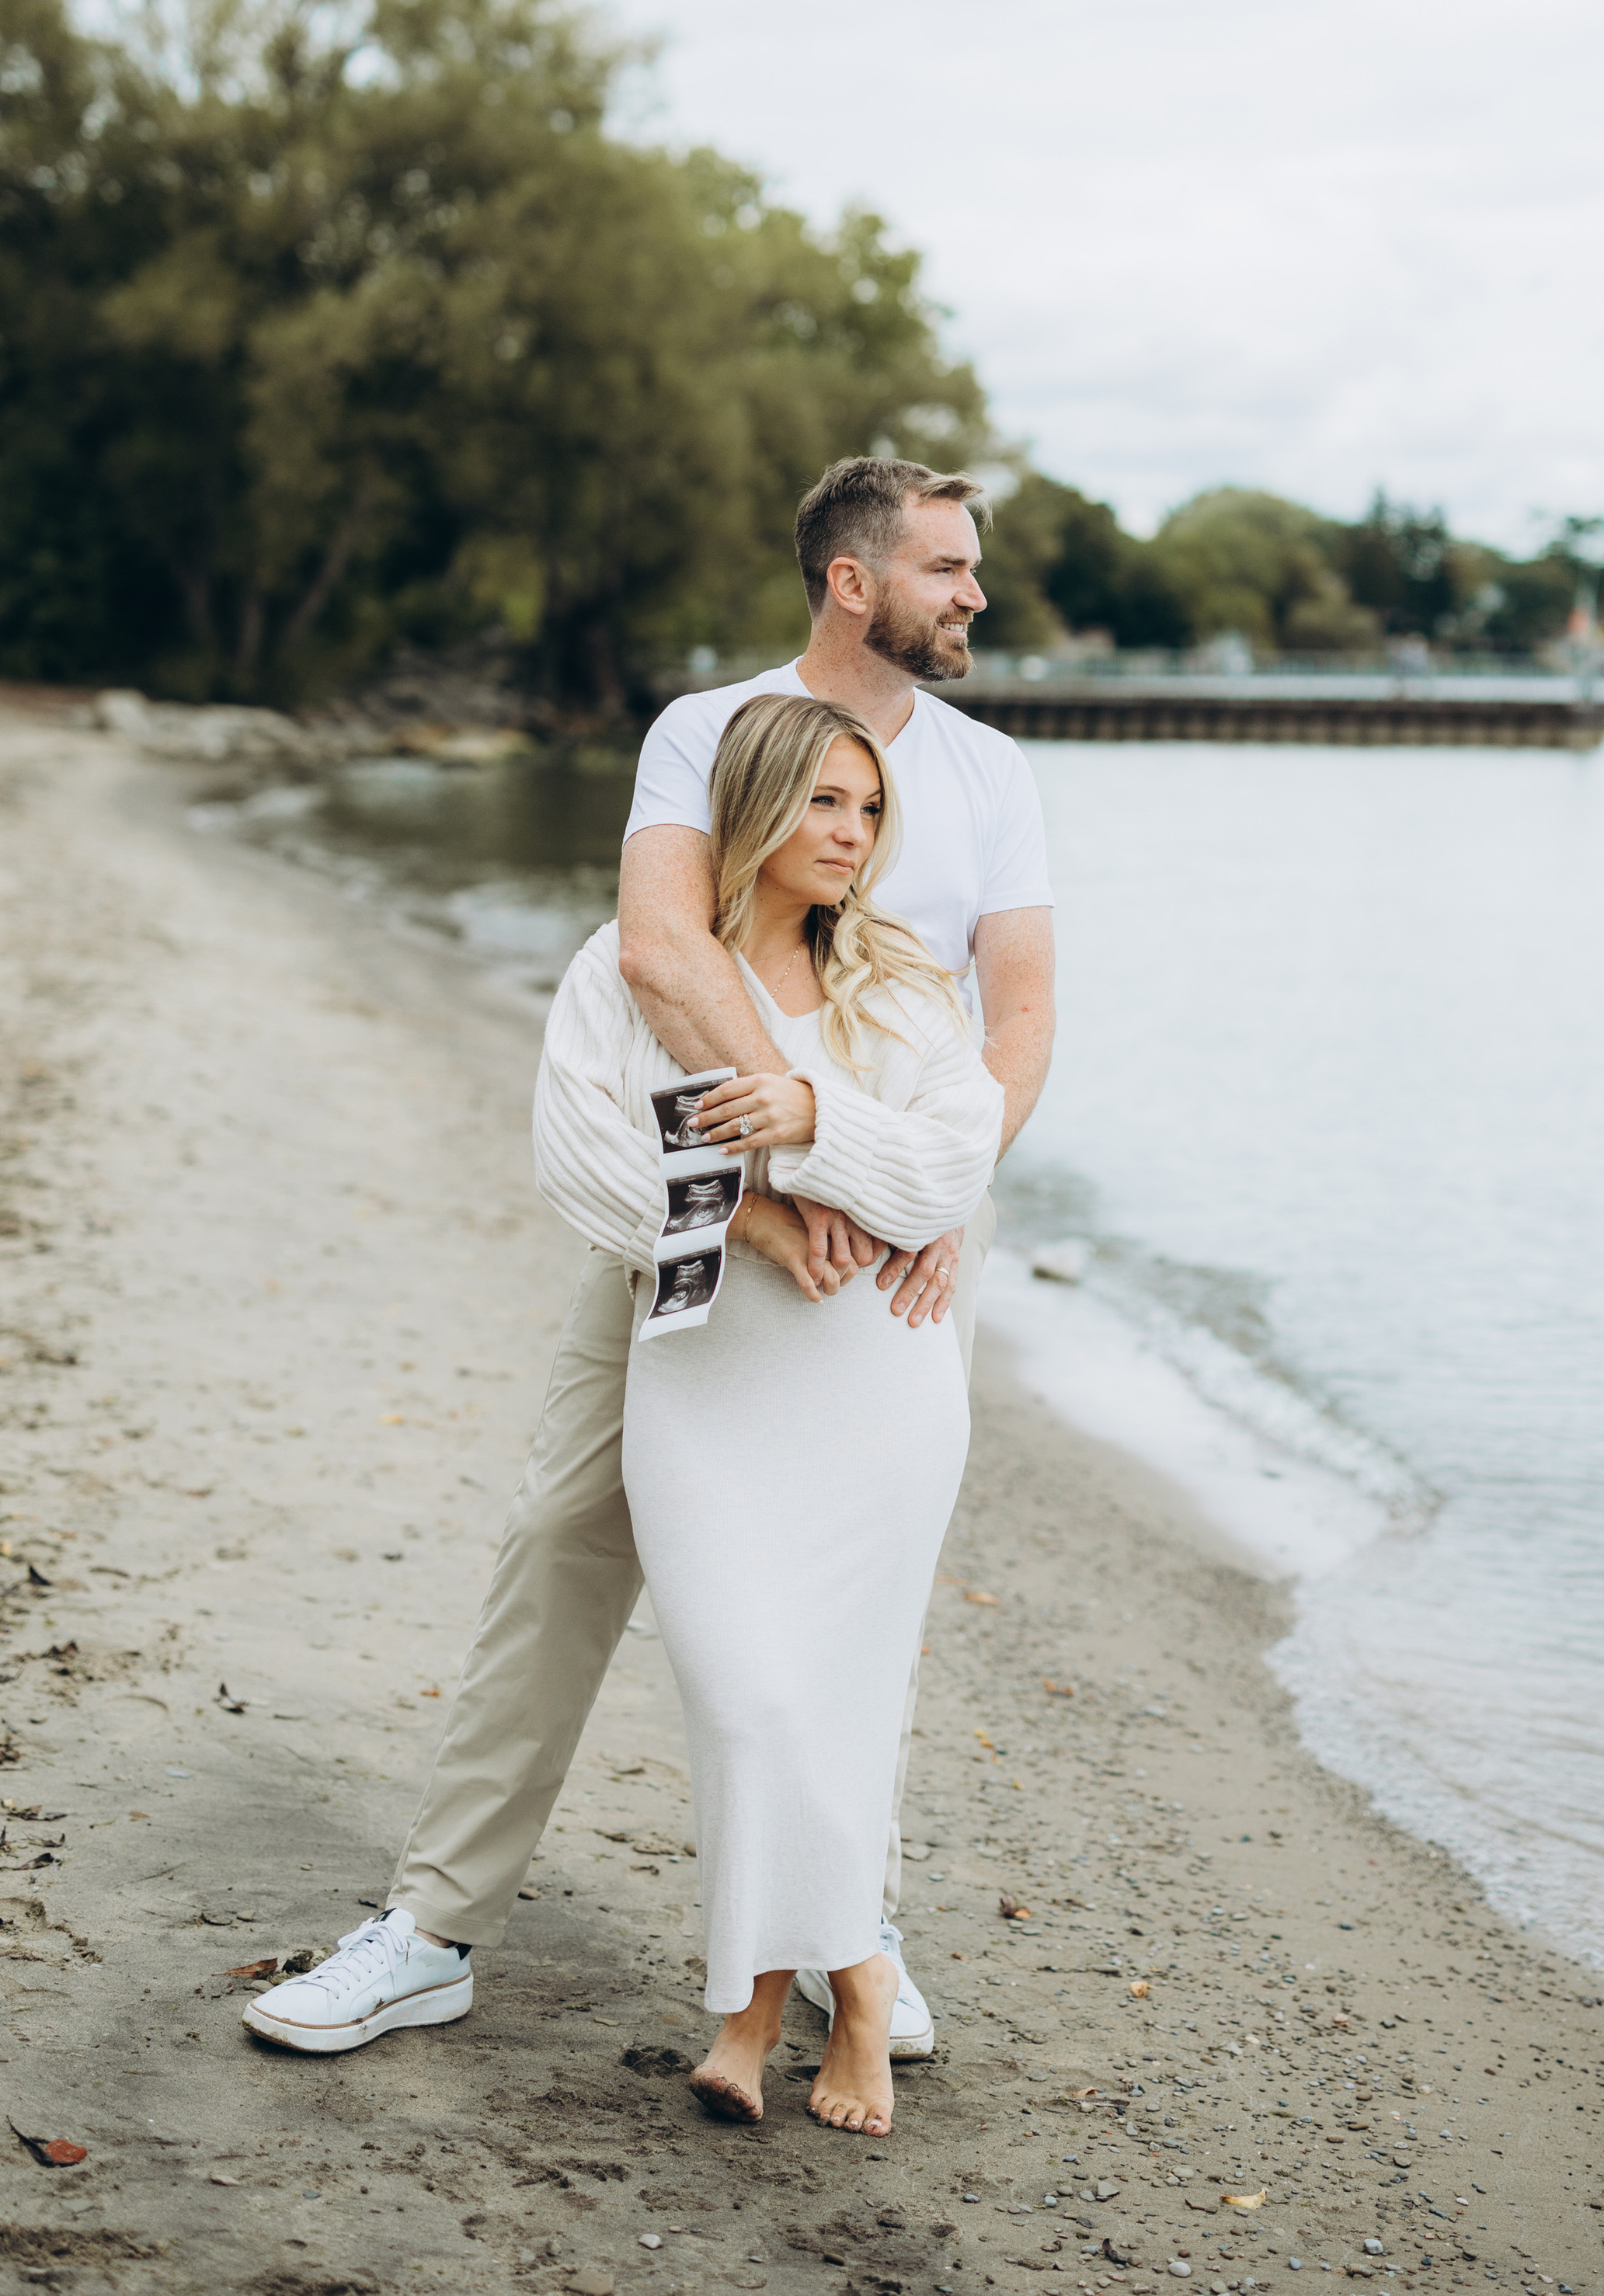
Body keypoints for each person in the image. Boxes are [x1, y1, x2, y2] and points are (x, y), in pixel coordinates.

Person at [242, 458, 1055, 2061]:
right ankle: (432, 1924)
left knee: (857, 1584)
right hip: (693, 1200)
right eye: (948, 566)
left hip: (901, 1234)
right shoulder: (707, 729)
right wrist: (778, 1161)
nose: (972, 593)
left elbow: (1015, 1015)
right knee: (566, 1534)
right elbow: (659, 946)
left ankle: (843, 1929)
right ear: (851, 578)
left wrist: (929, 1188)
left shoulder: (992, 772)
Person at [541, 693, 1001, 2132]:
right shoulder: (631, 979)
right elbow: (580, 1163)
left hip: (879, 1388)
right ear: (750, 807)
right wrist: (744, 1215)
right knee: (747, 1696)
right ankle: (855, 1976)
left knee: (841, 1706)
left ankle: (751, 2006)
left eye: (870, 812)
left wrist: (812, 1122)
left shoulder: (910, 986)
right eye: (823, 804)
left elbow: (945, 1173)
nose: (852, 837)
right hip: (705, 1384)